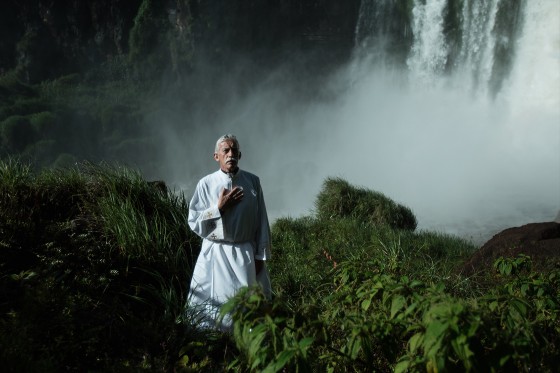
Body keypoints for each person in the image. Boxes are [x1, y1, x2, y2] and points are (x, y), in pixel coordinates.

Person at [187, 134, 271, 330]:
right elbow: (194, 222)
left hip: (246, 253)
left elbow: (262, 220)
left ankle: (249, 347)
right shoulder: (206, 184)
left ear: (240, 154)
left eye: (234, 150)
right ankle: (214, 347)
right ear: (216, 156)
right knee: (212, 310)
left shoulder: (253, 182)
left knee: (250, 308)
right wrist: (220, 209)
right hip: (215, 254)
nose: (230, 154)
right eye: (225, 150)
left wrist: (261, 256)